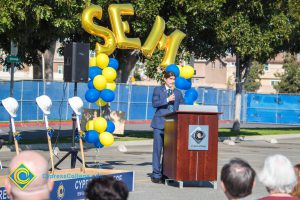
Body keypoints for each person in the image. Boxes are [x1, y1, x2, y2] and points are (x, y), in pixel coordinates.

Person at [150, 71, 183, 183]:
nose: (172, 81)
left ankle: (166, 173)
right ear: (164, 79)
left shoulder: (178, 93)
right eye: (170, 79)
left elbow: (182, 108)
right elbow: (154, 104)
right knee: (157, 150)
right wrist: (167, 100)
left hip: (172, 125)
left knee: (169, 152)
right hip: (159, 124)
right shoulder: (158, 90)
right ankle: (156, 174)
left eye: (173, 79)